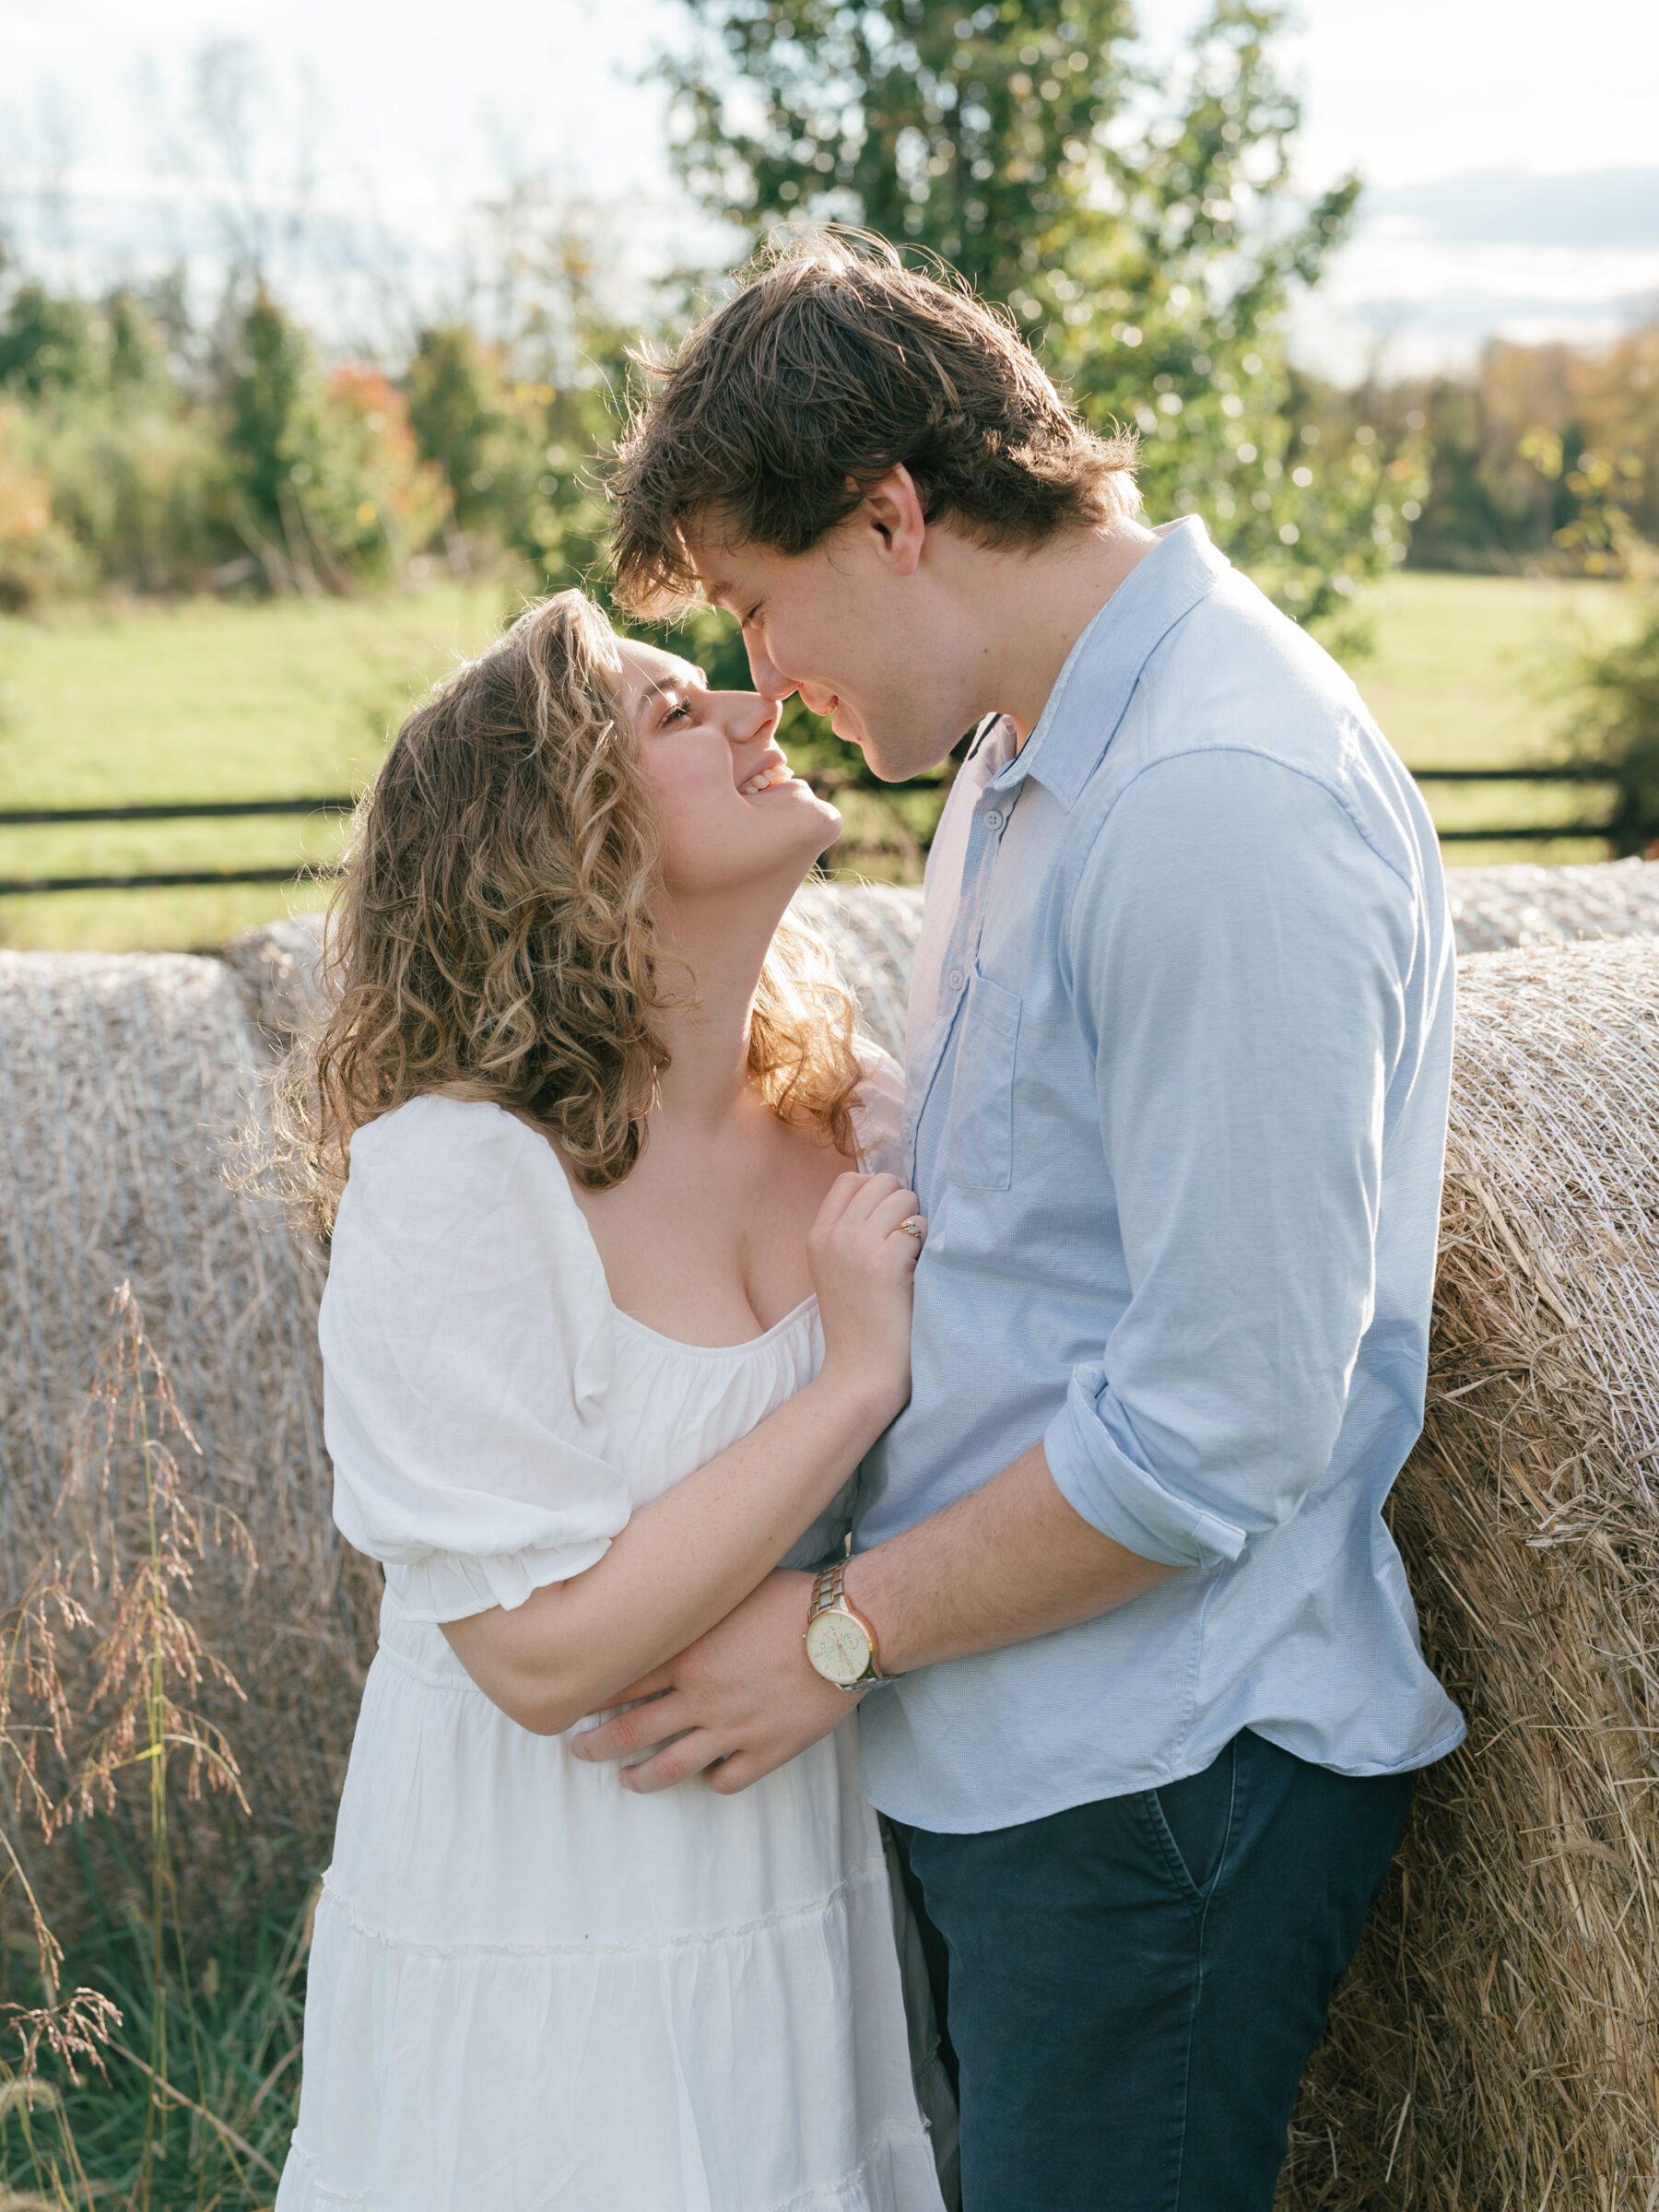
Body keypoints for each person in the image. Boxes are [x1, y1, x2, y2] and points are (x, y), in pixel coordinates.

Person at [578, 235, 1467, 2211]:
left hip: (1155, 1780)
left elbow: (1224, 1422)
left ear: (894, 514)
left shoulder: (1218, 800)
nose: (761, 678)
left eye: (755, 601)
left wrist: (832, 1630)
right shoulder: (1019, 760)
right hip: (1014, 1736)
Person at [273, 591, 952, 2211]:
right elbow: (539, 1653)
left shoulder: (856, 1113)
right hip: (536, 1906)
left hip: (789, 1855)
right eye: (672, 713)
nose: (751, 706)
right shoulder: (455, 1179)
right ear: (556, 844)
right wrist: (854, 1377)